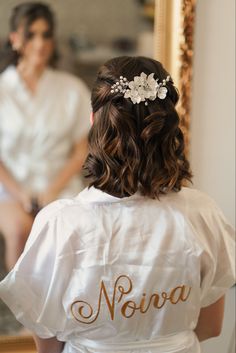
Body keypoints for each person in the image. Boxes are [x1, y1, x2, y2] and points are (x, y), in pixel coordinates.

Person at [0, 56, 235, 353]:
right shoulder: (203, 214)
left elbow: (48, 347)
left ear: (94, 122)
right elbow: (210, 327)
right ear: (167, 126)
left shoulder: (61, 223)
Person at [0, 2, 91, 271]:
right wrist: (21, 194)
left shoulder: (71, 89)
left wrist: (52, 190)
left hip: (60, 186)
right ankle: (22, 309)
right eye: (31, 34)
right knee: (20, 230)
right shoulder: (2, 90)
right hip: (9, 189)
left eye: (46, 34)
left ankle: (65, 307)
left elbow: (80, 149)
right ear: (15, 39)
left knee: (67, 232)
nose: (40, 43)